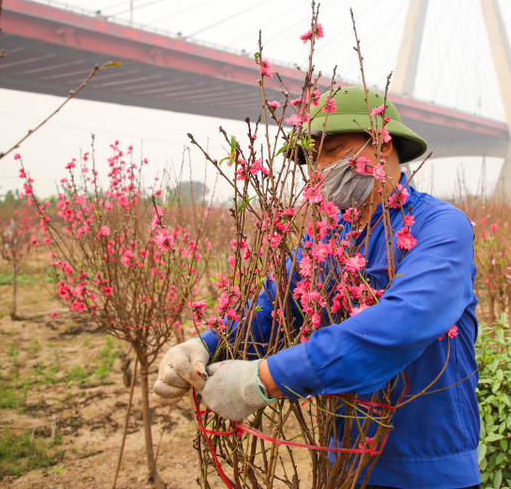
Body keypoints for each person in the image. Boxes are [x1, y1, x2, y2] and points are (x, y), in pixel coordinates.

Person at [153, 86, 481, 489]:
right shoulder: (326, 237)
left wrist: (264, 378)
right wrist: (207, 345)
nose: (320, 168)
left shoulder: (441, 227)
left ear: (382, 144)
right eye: (313, 157)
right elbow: (274, 309)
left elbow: (405, 322)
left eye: (334, 150)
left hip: (426, 463)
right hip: (341, 459)